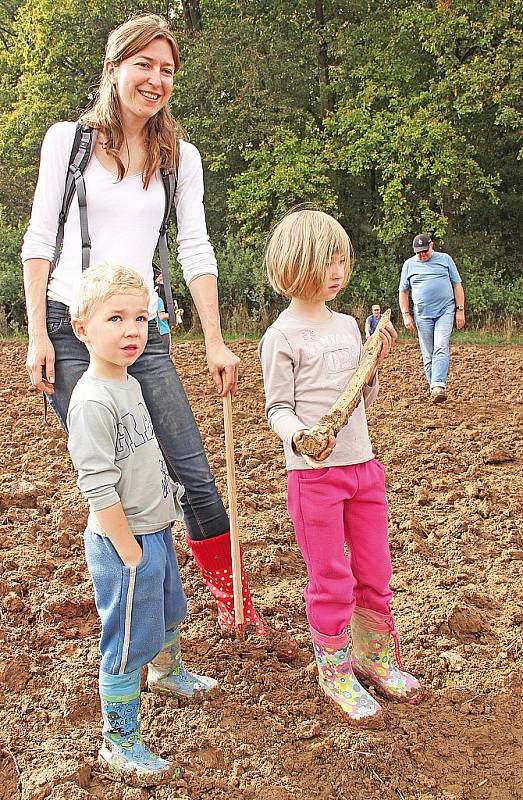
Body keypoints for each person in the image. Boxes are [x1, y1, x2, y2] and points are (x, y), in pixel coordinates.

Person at [21, 13, 266, 638]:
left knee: (191, 470)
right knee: (122, 471)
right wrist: (37, 335)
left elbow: (195, 247)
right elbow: (41, 239)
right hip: (74, 327)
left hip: (146, 328)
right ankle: (140, 608)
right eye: (144, 65)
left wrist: (213, 339)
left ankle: (232, 598)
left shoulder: (180, 157)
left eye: (166, 70)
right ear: (113, 69)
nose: (155, 80)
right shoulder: (67, 143)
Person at [258, 209, 422, 726]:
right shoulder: (281, 337)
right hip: (314, 478)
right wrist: (300, 439)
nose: (337, 270)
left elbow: (361, 397)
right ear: (294, 263)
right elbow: (276, 408)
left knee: (375, 569)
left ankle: (376, 655)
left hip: (363, 468)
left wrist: (374, 361)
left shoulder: (350, 325)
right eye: (326, 259)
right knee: (332, 577)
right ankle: (335, 670)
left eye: (341, 259)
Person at [67, 264, 217, 785]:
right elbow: (98, 486)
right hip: (123, 542)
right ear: (81, 327)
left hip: (154, 530)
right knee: (127, 636)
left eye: (140, 317)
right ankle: (120, 739)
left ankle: (167, 673)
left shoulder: (130, 384)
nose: (132, 330)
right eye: (115, 318)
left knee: (169, 609)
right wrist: (129, 548)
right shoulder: (91, 401)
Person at [399, 234, 466, 403]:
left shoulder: (445, 259)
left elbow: (457, 285)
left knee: (441, 346)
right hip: (422, 314)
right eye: (418, 252)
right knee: (428, 353)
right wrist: (406, 315)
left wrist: (460, 310)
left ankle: (438, 385)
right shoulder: (409, 265)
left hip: (445, 310)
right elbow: (404, 292)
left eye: (425, 251)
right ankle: (434, 390)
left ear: (432, 246)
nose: (422, 255)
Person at [154, 273, 171, 352]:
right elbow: (162, 316)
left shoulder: (147, 300)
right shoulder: (158, 300)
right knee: (165, 355)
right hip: (163, 331)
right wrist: (174, 314)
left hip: (152, 332)